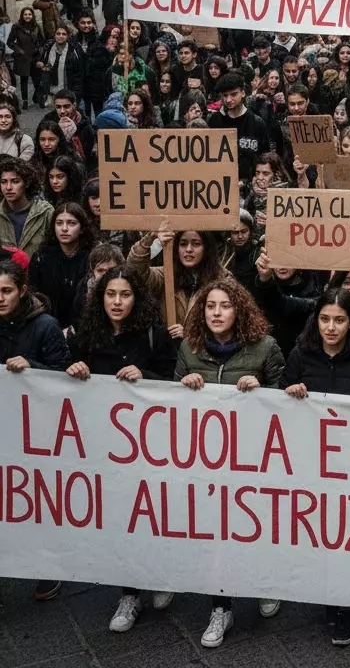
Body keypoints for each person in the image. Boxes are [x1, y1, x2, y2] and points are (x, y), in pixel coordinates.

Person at [281, 287, 350, 648]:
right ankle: (329, 594)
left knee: (346, 534)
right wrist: (291, 390)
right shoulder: (301, 355)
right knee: (320, 530)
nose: (331, 327)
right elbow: (279, 394)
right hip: (312, 461)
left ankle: (345, 606)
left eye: (339, 320)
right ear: (316, 321)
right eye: (325, 319)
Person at [64, 266, 177, 632]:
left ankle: (159, 574)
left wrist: (148, 379)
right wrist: (74, 366)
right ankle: (129, 594)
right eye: (110, 295)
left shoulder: (154, 335)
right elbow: (63, 375)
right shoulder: (86, 335)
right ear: (100, 298)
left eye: (125, 295)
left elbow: (174, 381)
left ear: (137, 299)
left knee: (151, 511)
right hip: (106, 444)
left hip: (149, 444)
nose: (116, 302)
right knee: (122, 517)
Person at [174, 279, 286, 647]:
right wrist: (183, 384)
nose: (216, 313)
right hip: (209, 457)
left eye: (224, 306)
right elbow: (169, 402)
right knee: (218, 531)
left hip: (255, 458)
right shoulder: (189, 349)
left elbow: (288, 397)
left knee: (254, 523)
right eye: (210, 307)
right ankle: (220, 607)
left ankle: (265, 581)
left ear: (239, 310)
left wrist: (263, 390)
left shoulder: (265, 347)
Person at [0, 256, 71, 601]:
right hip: (5, 425)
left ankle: (46, 567)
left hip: (37, 431)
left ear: (22, 291)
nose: (0, 298)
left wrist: (33, 368)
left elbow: (62, 375)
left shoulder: (45, 326)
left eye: (6, 291)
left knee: (36, 499)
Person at [128, 219, 226, 339]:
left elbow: (228, 323)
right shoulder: (165, 275)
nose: (188, 249)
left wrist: (191, 336)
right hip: (169, 351)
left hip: (203, 352)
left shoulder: (222, 279)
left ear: (206, 249)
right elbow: (134, 272)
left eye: (196, 244)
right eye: (183, 244)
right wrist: (150, 238)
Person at [28, 202, 94, 330]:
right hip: (46, 325)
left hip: (83, 327)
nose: (64, 228)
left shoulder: (91, 256)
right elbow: (33, 291)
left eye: (71, 223)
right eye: (59, 223)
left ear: (82, 228)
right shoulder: (42, 257)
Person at [0, 157, 53, 257]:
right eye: (3, 182)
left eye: (15, 181)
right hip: (6, 271)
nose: (8, 187)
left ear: (27, 183)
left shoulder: (45, 212)